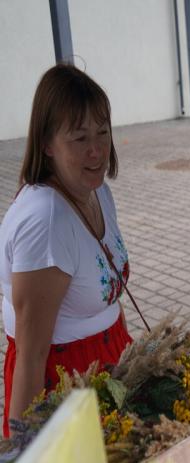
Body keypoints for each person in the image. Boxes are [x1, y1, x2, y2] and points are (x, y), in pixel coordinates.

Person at [0, 64, 135, 437]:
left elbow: (106, 292)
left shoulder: (98, 192)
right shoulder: (45, 224)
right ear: (47, 143)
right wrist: (23, 453)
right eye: (79, 138)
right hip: (64, 385)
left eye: (103, 132)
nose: (97, 150)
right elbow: (31, 358)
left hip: (109, 364)